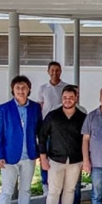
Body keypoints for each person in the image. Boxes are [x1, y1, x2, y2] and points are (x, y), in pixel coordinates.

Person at [0, 75, 42, 204]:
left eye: (24, 88)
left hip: (29, 155)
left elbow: (39, 131)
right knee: (7, 191)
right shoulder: (3, 109)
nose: (21, 90)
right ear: (13, 90)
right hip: (9, 157)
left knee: (26, 189)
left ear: (29, 89)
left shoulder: (35, 108)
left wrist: (41, 152)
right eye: (17, 88)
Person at [38, 85, 86, 204]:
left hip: (75, 160)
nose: (68, 100)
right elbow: (42, 137)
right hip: (55, 160)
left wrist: (86, 160)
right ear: (61, 98)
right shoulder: (52, 116)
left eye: (71, 97)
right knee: (53, 191)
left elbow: (86, 140)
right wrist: (43, 158)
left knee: (70, 190)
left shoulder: (82, 117)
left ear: (76, 98)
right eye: (65, 97)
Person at [37, 61, 69, 195]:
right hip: (47, 129)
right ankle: (45, 184)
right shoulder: (43, 88)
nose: (55, 73)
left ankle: (61, 185)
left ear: (61, 71)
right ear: (48, 71)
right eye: (52, 70)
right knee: (44, 157)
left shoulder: (66, 87)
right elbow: (40, 108)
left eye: (57, 70)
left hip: (62, 130)